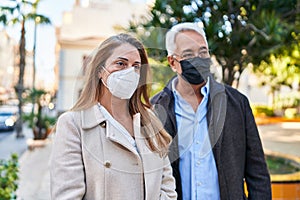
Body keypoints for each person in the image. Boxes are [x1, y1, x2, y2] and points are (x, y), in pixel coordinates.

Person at [150, 22, 272, 199]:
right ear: (172, 62)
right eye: (188, 54)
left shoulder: (237, 103)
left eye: (203, 52)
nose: (198, 59)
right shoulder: (154, 109)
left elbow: (257, 171)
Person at [50, 33, 177, 200]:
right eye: (120, 64)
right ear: (100, 71)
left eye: (136, 66)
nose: (129, 72)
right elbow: (67, 195)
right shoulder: (73, 124)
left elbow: (167, 186)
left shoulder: (150, 121)